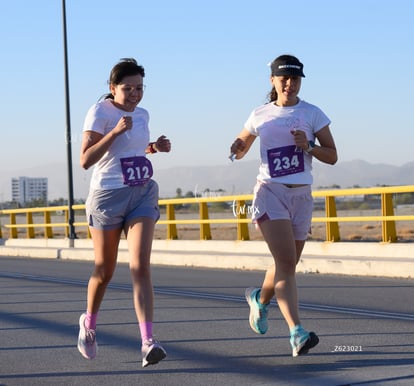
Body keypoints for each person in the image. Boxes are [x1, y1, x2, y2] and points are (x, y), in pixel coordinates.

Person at [229, 54, 337, 357]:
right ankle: (297, 332)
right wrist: (237, 146)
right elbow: (240, 148)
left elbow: (333, 155)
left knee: (284, 264)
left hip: (301, 197)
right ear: (272, 81)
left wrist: (310, 146)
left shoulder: (313, 113)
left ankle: (259, 301)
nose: (289, 84)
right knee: (287, 264)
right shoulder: (259, 114)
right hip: (269, 192)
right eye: (283, 78)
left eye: (295, 79)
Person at [77, 58, 171, 367]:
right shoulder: (100, 112)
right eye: (127, 88)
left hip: (141, 192)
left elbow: (132, 151)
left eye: (139, 88)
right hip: (107, 197)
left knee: (140, 266)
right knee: (104, 270)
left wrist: (154, 147)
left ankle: (148, 342)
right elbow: (87, 159)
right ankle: (89, 325)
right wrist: (114, 131)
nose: (134, 95)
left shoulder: (143, 114)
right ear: (112, 88)